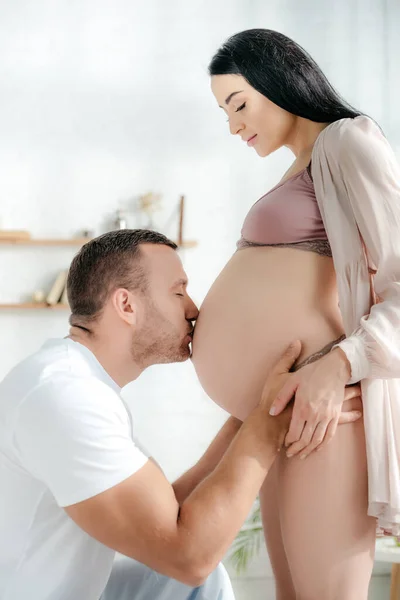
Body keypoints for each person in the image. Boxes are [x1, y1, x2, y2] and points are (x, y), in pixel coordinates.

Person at [0, 228, 362, 600]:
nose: (192, 309)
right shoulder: (65, 397)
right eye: (178, 292)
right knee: (194, 573)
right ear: (126, 305)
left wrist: (261, 407)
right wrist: (267, 427)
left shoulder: (75, 382)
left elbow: (166, 513)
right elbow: (188, 557)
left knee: (203, 583)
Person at [191, 28, 400, 600]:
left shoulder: (348, 140)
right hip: (281, 414)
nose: (233, 125)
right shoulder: (300, 165)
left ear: (278, 81)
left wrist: (339, 367)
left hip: (323, 413)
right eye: (223, 112)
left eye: (239, 104)